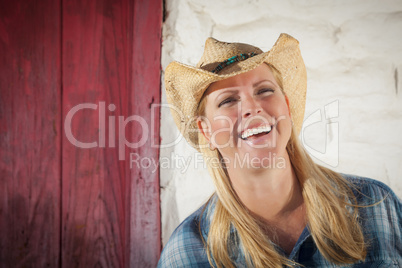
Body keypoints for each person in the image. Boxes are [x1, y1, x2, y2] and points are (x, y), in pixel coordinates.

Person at [158, 33, 402, 267]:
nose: (252, 107)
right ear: (207, 131)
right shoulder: (186, 253)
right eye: (228, 101)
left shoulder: (376, 205)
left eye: (264, 90)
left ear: (285, 105)